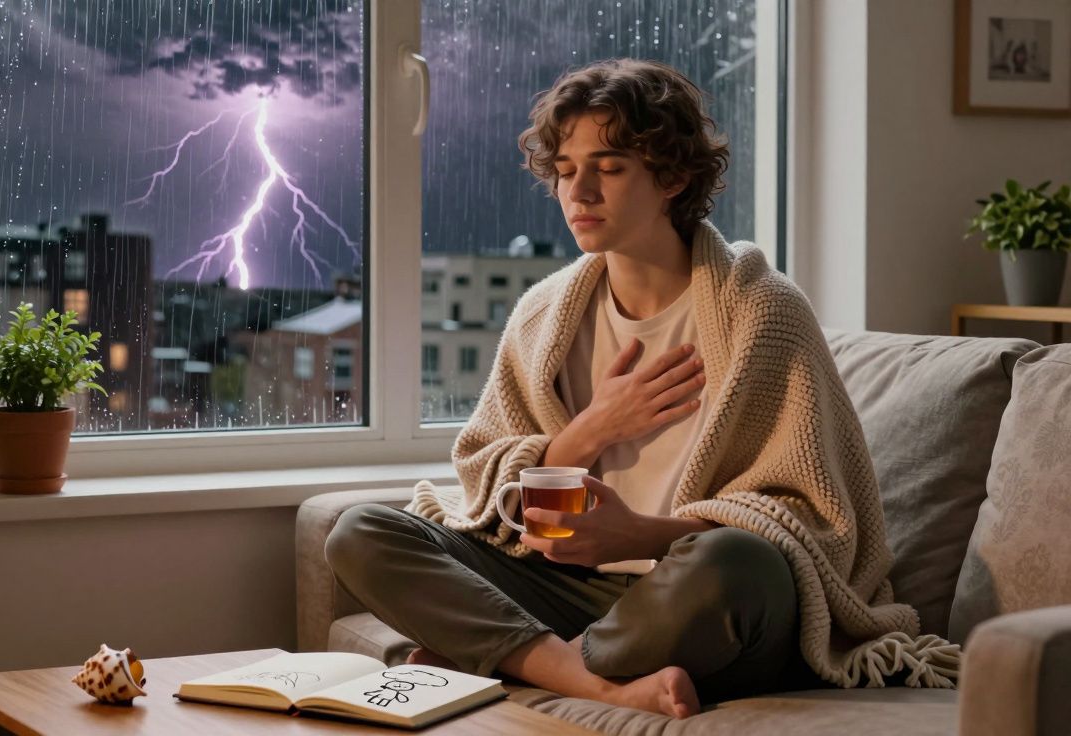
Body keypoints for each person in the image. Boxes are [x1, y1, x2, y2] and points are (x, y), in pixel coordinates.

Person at [326, 58, 958, 721]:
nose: (581, 192)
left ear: (674, 177)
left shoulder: (761, 312)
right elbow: (485, 478)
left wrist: (639, 536)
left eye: (610, 167)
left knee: (734, 561)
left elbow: (811, 520)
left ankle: (507, 657)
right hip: (573, 591)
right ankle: (591, 679)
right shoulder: (545, 316)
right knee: (361, 531)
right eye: (567, 171)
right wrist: (591, 429)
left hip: (693, 595)